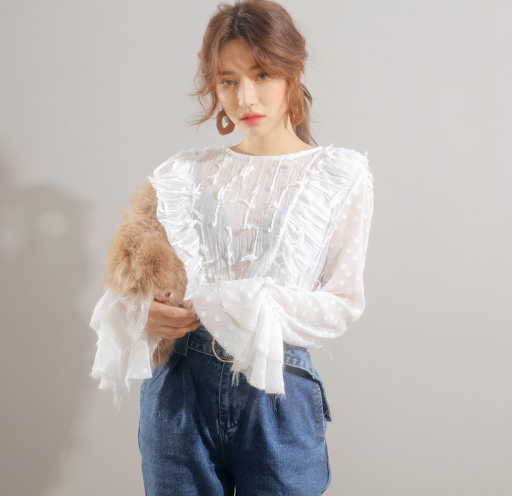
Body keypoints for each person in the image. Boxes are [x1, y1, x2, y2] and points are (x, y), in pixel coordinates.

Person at [89, 0, 374, 494]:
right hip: (179, 392)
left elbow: (343, 303)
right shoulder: (181, 174)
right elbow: (133, 288)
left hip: (275, 390)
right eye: (227, 81)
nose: (245, 97)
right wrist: (143, 314)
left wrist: (247, 302)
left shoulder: (339, 175)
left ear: (292, 72)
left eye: (262, 75)